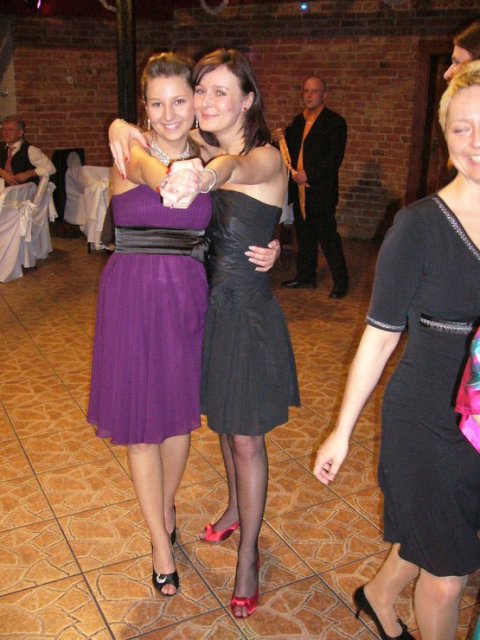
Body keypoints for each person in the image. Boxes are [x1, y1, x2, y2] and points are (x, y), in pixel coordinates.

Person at [105, 51, 283, 602]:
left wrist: (274, 241)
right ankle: (165, 538)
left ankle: (206, 531)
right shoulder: (146, 148)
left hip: (206, 302)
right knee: (154, 426)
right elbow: (149, 167)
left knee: (201, 425)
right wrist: (120, 128)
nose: (183, 109)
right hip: (147, 298)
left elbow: (235, 181)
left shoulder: (221, 155)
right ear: (146, 107)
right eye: (160, 103)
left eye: (189, 98)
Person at [313, 61, 480, 640]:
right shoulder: (418, 227)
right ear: (444, 137)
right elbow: (381, 335)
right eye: (461, 128)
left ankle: (378, 595)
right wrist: (341, 431)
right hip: (429, 420)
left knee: (443, 533)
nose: (475, 143)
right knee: (447, 578)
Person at [276, 77, 349, 299]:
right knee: (304, 235)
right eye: (306, 91)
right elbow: (289, 148)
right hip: (300, 190)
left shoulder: (335, 122)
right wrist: (278, 137)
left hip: (321, 191)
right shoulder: (299, 121)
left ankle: (341, 282)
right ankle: (305, 276)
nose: (309, 95)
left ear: (324, 95)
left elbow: (334, 159)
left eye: (314, 91)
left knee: (328, 237)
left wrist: (309, 174)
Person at [0, 115, 55, 186]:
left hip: (23, 189)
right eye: (4, 129)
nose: (6, 133)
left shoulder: (30, 150)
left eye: (10, 130)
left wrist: (28, 174)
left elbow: (51, 168)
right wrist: (3, 173)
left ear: (20, 133)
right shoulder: (1, 147)